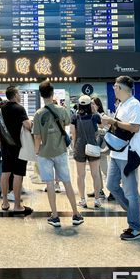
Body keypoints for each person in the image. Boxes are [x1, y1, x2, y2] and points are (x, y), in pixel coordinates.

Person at [102, 76, 140, 241]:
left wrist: (113, 121)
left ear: (120, 88)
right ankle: (136, 213)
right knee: (111, 185)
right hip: (117, 152)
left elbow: (135, 127)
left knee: (130, 192)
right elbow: (120, 128)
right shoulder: (121, 104)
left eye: (115, 86)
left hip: (129, 153)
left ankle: (136, 228)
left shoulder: (134, 104)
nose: (114, 89)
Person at [33, 81, 84, 227]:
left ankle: (55, 216)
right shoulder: (61, 110)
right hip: (60, 150)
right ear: (52, 93)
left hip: (44, 153)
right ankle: (76, 214)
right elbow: (67, 123)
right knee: (67, 182)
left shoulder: (38, 114)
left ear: (41, 95)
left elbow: (37, 137)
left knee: (49, 184)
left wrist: (36, 152)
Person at [0, 86, 33, 215]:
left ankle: (5, 202)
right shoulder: (19, 108)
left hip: (5, 147)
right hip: (19, 147)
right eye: (19, 93)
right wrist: (32, 123)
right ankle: (17, 205)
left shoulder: (1, 109)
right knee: (18, 175)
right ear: (15, 95)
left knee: (5, 173)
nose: (20, 96)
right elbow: (27, 125)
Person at [71, 95, 103, 209]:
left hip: (79, 146)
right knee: (95, 174)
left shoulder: (75, 117)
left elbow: (73, 134)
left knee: (80, 175)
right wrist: (95, 111)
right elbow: (102, 125)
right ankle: (97, 200)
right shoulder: (95, 116)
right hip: (93, 145)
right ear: (90, 105)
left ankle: (83, 200)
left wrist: (74, 147)